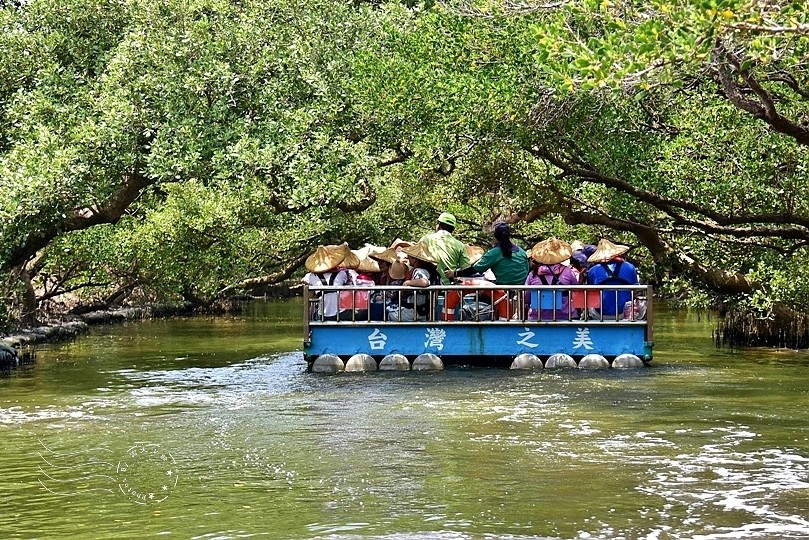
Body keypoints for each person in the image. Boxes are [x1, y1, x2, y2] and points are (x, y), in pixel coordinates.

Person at [443, 222, 529, 320]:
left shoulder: (494, 253)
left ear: (495, 236)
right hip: (521, 294)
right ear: (509, 235)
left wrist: (454, 273)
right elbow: (526, 271)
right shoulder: (522, 252)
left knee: (479, 297)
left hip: (504, 291)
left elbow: (474, 270)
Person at [524, 237, 578, 321]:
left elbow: (526, 296)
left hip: (537, 316)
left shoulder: (533, 274)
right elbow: (576, 292)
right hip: (565, 315)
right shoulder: (568, 272)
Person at [302, 243, 359, 321]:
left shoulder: (310, 276)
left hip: (322, 316)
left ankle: (308, 321)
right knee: (362, 312)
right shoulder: (342, 274)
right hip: (341, 314)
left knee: (311, 294)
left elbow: (303, 280)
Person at [586, 239, 639, 319]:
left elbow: (591, 294)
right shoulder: (630, 267)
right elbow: (636, 291)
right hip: (624, 314)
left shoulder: (592, 270)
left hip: (600, 314)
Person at [387, 242, 438, 322]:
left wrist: (408, 282)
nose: (408, 258)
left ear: (415, 258)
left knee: (389, 314)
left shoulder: (419, 270)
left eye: (409, 257)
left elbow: (424, 282)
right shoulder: (432, 270)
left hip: (414, 311)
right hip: (427, 311)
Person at [419, 212, 470, 286]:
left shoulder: (426, 239)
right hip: (450, 289)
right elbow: (466, 269)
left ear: (438, 225)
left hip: (429, 288)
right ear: (453, 229)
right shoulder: (460, 245)